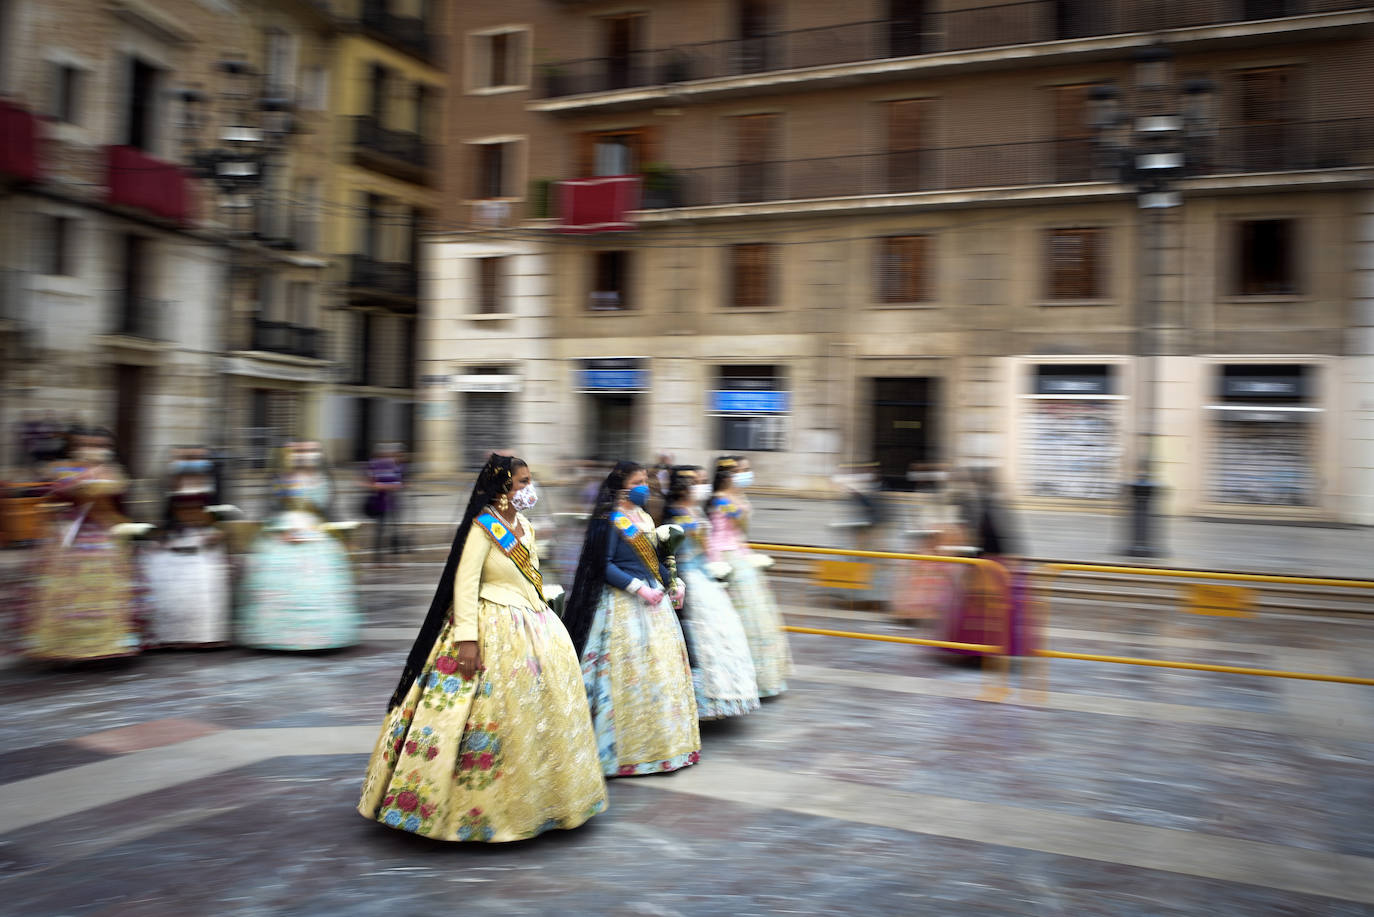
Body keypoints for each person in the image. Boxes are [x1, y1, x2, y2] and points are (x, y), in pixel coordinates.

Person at [358, 453, 606, 841]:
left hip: (532, 623)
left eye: (529, 480)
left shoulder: (525, 525)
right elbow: (465, 583)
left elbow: (532, 573)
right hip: (490, 624)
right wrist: (467, 639)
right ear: (504, 486)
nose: (529, 488)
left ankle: (545, 798)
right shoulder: (482, 528)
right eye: (523, 482)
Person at [563, 461, 700, 777]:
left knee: (659, 674)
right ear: (622, 486)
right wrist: (636, 587)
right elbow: (603, 566)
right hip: (621, 607)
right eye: (638, 481)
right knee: (625, 676)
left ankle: (662, 746)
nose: (645, 486)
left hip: (653, 604)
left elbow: (654, 562)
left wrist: (673, 582)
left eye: (646, 480)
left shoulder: (646, 518)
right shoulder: (609, 521)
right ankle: (620, 751)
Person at [20, 427, 144, 662]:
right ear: (76, 446)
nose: (93, 449)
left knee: (105, 589)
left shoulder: (113, 472)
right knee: (67, 592)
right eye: (87, 443)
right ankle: (65, 646)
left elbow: (119, 507)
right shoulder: (64, 470)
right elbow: (50, 501)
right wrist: (69, 495)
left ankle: (108, 645)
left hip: (104, 541)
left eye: (99, 445)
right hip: (69, 540)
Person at [238, 440, 360, 651]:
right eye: (299, 451)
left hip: (316, 534)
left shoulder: (323, 480)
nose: (304, 455)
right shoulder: (281, 479)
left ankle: (322, 635)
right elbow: (270, 508)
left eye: (310, 450)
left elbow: (329, 509)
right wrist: (279, 530)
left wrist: (342, 535)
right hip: (283, 533)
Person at [661, 465, 759, 720]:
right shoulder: (675, 515)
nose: (702, 486)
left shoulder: (696, 510)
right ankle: (699, 701)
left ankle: (724, 697)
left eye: (704, 480)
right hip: (689, 578)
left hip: (705, 574)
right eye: (697, 481)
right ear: (683, 486)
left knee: (725, 630)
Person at [707, 455, 792, 698]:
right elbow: (718, 533)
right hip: (727, 556)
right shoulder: (721, 499)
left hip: (741, 554)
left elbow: (740, 533)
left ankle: (764, 676)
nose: (747, 474)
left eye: (747, 469)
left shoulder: (737, 497)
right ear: (728, 474)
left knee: (758, 615)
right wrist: (718, 563)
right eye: (742, 470)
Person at [141, 446, 232, 647]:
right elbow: (166, 512)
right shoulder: (173, 483)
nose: (191, 462)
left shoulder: (211, 482)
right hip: (178, 535)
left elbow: (218, 511)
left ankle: (201, 636)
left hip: (204, 536)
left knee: (202, 580)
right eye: (185, 457)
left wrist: (215, 529)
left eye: (196, 457)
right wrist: (164, 535)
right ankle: (170, 635)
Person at [363, 442, 406, 560]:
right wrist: (382, 486)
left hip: (390, 501)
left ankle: (391, 554)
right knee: (380, 529)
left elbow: (398, 482)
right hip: (379, 502)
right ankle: (378, 556)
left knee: (392, 528)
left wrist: (383, 486)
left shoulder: (391, 465)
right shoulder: (374, 464)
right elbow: (370, 482)